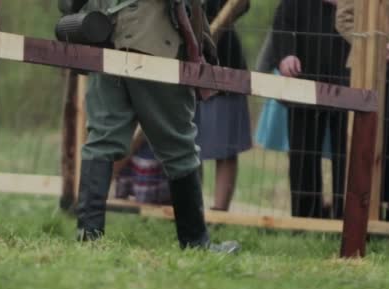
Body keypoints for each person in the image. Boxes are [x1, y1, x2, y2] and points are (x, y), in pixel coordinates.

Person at [58, 0, 239, 252]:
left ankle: (88, 237)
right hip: (154, 42)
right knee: (179, 148)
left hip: (105, 38)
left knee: (102, 140)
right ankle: (196, 242)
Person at [272, 0, 351, 219]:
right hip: (304, 77)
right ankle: (305, 217)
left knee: (349, 154)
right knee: (302, 154)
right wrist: (286, 55)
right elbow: (282, 24)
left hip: (351, 78)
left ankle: (347, 217)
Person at [335, 0, 389, 222]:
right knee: (363, 142)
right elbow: (344, 19)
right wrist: (374, 45)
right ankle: (360, 219)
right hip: (364, 68)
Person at [195, 0, 252, 212]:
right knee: (186, 143)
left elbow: (242, 5)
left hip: (224, 58)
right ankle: (191, 207)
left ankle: (220, 213)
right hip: (182, 57)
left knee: (226, 147)